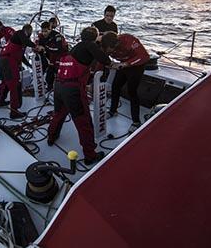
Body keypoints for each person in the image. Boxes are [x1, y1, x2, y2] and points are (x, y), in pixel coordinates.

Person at [47, 27, 119, 165]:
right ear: (94, 37)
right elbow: (103, 58)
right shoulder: (89, 44)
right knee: (83, 122)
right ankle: (90, 155)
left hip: (59, 86)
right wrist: (114, 64)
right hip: (72, 90)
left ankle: (51, 137)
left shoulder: (76, 48)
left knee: (59, 114)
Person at [0, 24, 43, 119]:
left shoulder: (20, 42)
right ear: (27, 31)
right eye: (29, 32)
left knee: (5, 82)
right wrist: (36, 46)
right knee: (14, 85)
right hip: (8, 61)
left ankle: (0, 101)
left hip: (3, 60)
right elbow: (26, 40)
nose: (30, 35)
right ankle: (14, 112)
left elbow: (21, 57)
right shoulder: (19, 33)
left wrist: (30, 65)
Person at [108, 32, 150, 132]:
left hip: (136, 66)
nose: (111, 51)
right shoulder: (104, 44)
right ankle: (113, 111)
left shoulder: (129, 39)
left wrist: (126, 64)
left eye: (112, 49)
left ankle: (136, 121)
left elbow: (144, 56)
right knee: (115, 86)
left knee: (132, 91)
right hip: (123, 64)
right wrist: (108, 64)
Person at [37, 21, 68, 91]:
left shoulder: (57, 36)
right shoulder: (41, 37)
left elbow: (59, 49)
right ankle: (50, 90)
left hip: (62, 58)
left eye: (46, 31)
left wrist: (45, 48)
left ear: (50, 29)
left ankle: (62, 91)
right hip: (52, 59)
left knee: (61, 78)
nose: (44, 33)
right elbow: (40, 46)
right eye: (42, 31)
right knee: (49, 77)